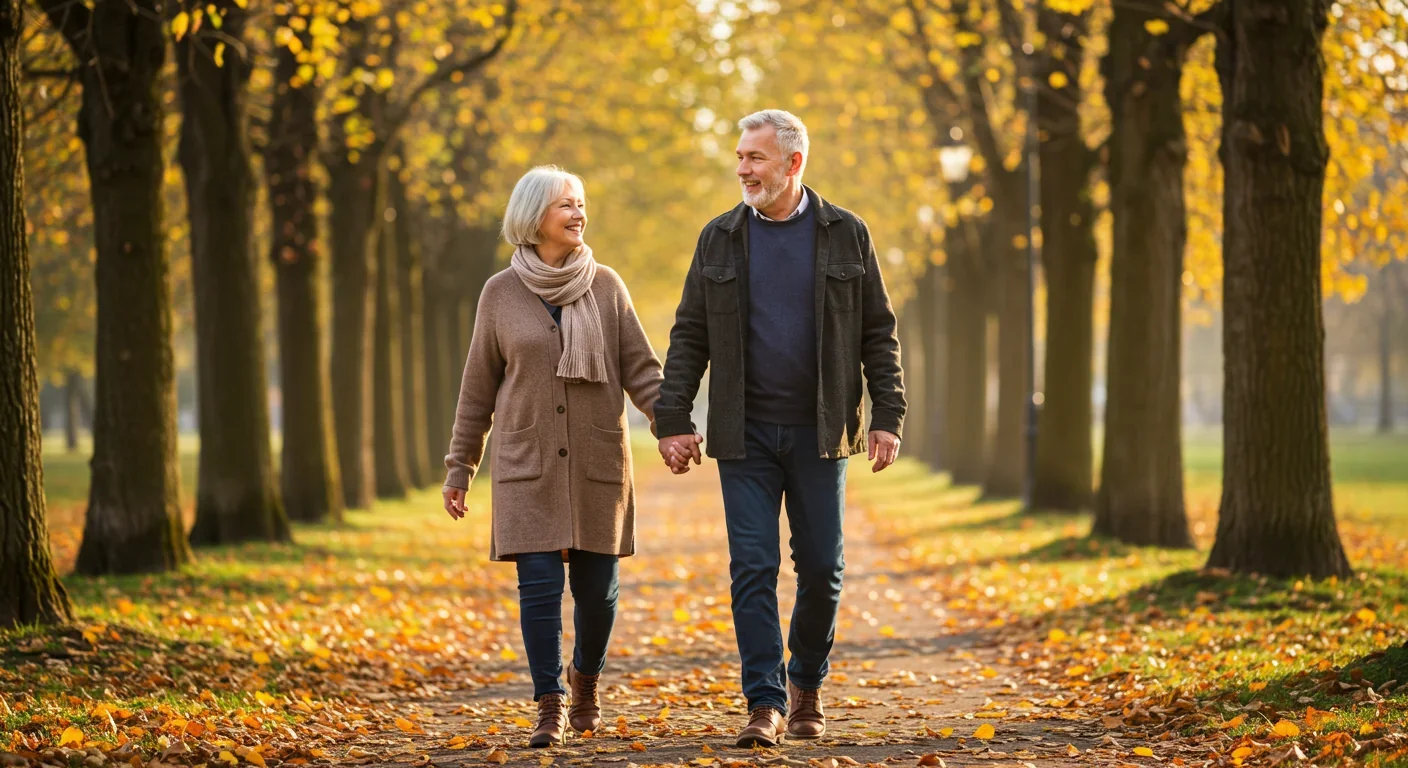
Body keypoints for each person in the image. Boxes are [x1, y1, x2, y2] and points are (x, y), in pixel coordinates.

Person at [655, 110, 907, 747]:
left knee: (823, 567)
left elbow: (879, 333)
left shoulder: (848, 233)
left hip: (823, 434)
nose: (742, 169)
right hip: (745, 435)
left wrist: (889, 416)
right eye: (740, 157)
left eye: (755, 158)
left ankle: (807, 687)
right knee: (752, 567)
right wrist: (673, 418)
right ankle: (763, 704)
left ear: (793, 163)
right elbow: (689, 334)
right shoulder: (718, 238)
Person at [442, 166, 671, 748]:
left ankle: (586, 680)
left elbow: (641, 369)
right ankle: (551, 704)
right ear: (533, 216)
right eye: (566, 205)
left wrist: (671, 425)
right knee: (539, 588)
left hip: (596, 462)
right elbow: (477, 390)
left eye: (581, 203)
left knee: (599, 593)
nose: (578, 214)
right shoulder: (500, 293)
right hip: (528, 464)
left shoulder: (607, 286)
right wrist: (460, 467)